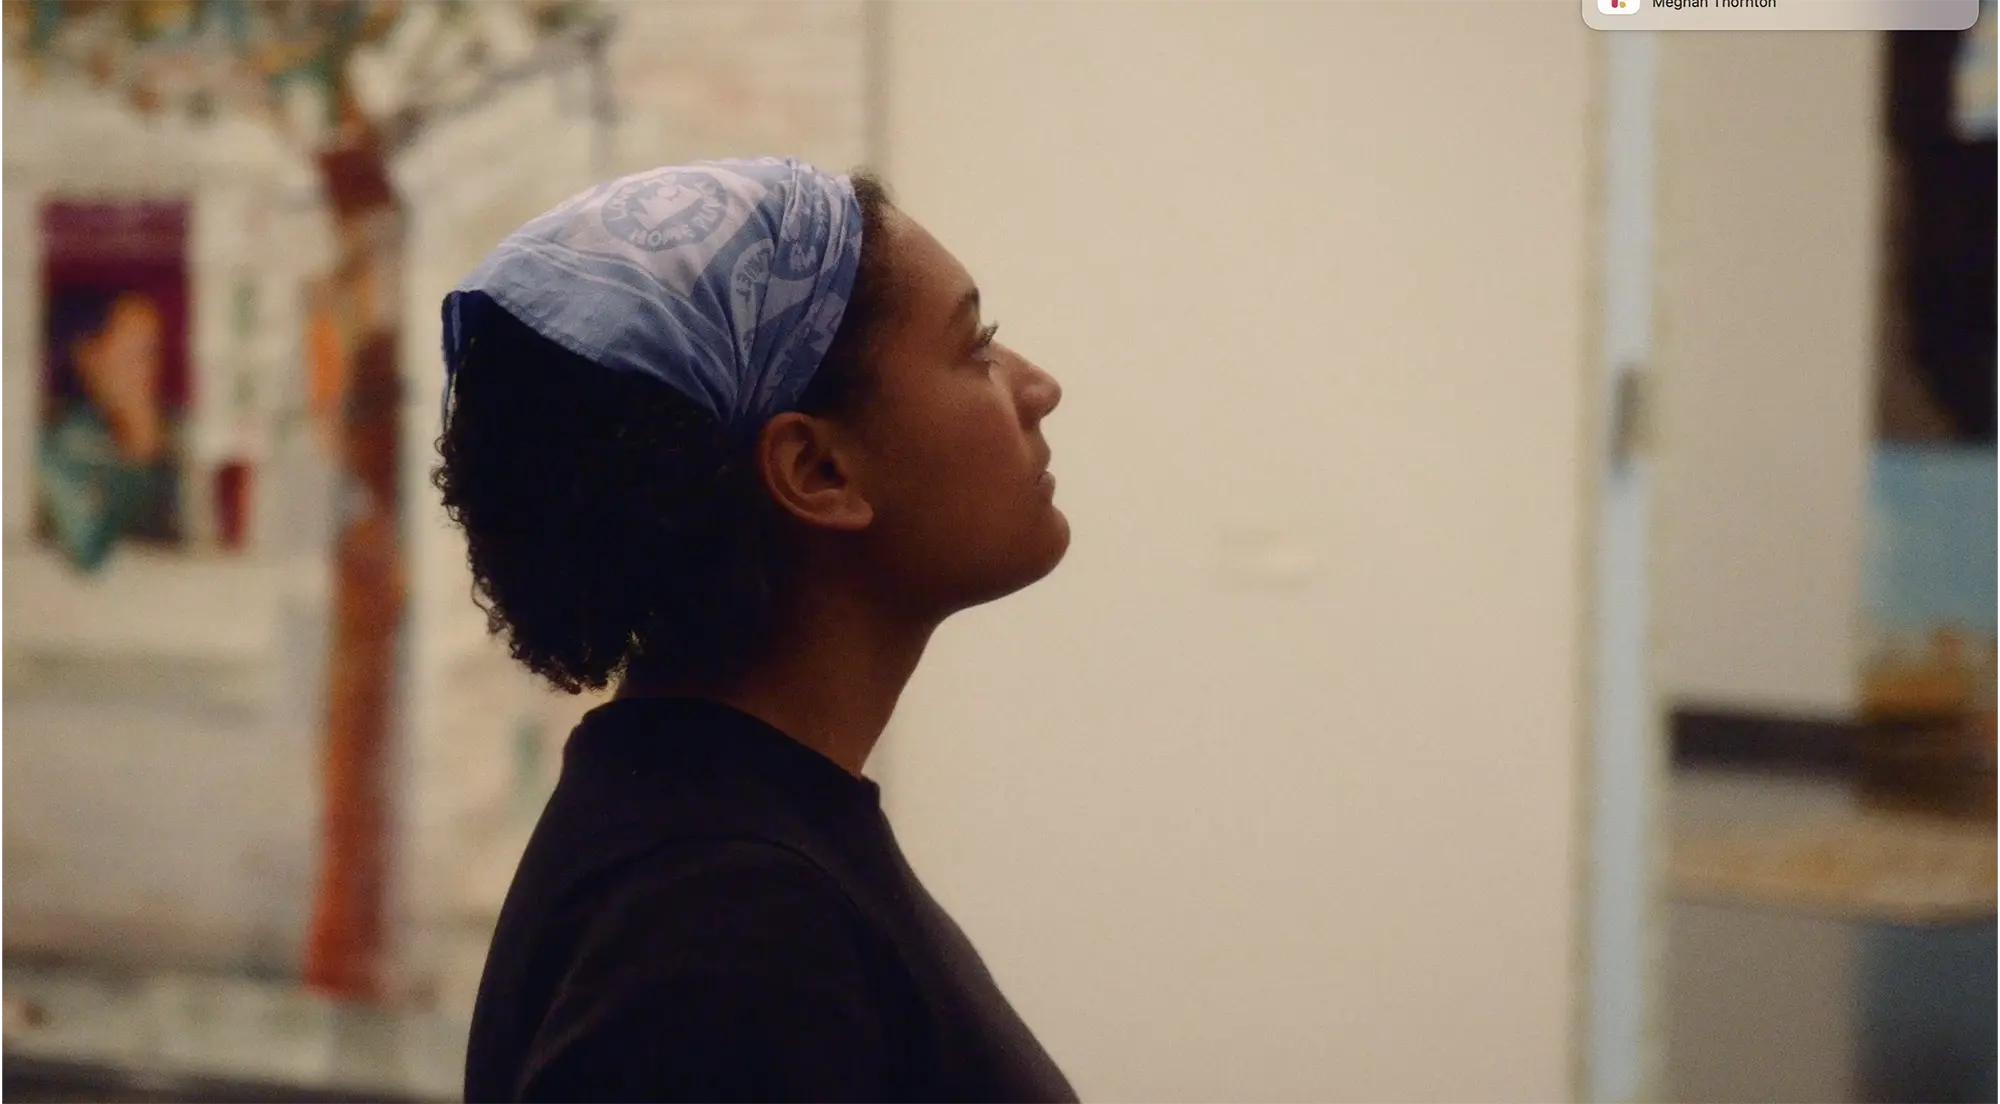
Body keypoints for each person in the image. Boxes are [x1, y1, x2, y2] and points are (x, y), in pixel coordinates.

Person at [439, 158, 1076, 1102]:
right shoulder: (725, 926)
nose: (1039, 387)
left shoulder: (725, 846)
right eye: (974, 347)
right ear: (818, 471)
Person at [38, 290, 179, 573]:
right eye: (139, 354)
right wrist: (139, 454)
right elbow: (89, 550)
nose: (150, 372)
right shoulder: (58, 444)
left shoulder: (169, 434)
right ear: (91, 357)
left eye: (155, 353)